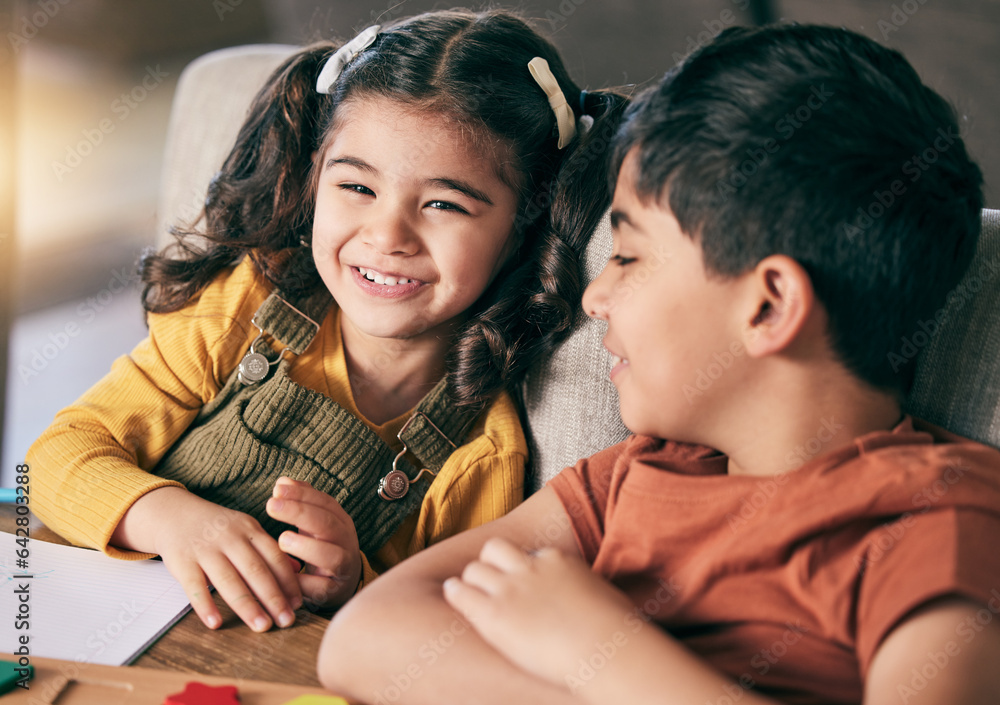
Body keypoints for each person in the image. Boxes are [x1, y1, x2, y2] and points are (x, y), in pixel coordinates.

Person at [317, 24, 1000, 704]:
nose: (595, 295)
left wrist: (600, 652)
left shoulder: (934, 520)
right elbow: (365, 638)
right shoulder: (635, 475)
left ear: (767, 307)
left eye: (628, 256)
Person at [27, 9, 627, 634]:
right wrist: (173, 519)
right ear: (316, 177)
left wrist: (352, 582)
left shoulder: (482, 455)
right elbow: (50, 461)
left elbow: (440, 634)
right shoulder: (242, 308)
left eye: (444, 204)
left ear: (523, 223)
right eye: (357, 188)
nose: (388, 235)